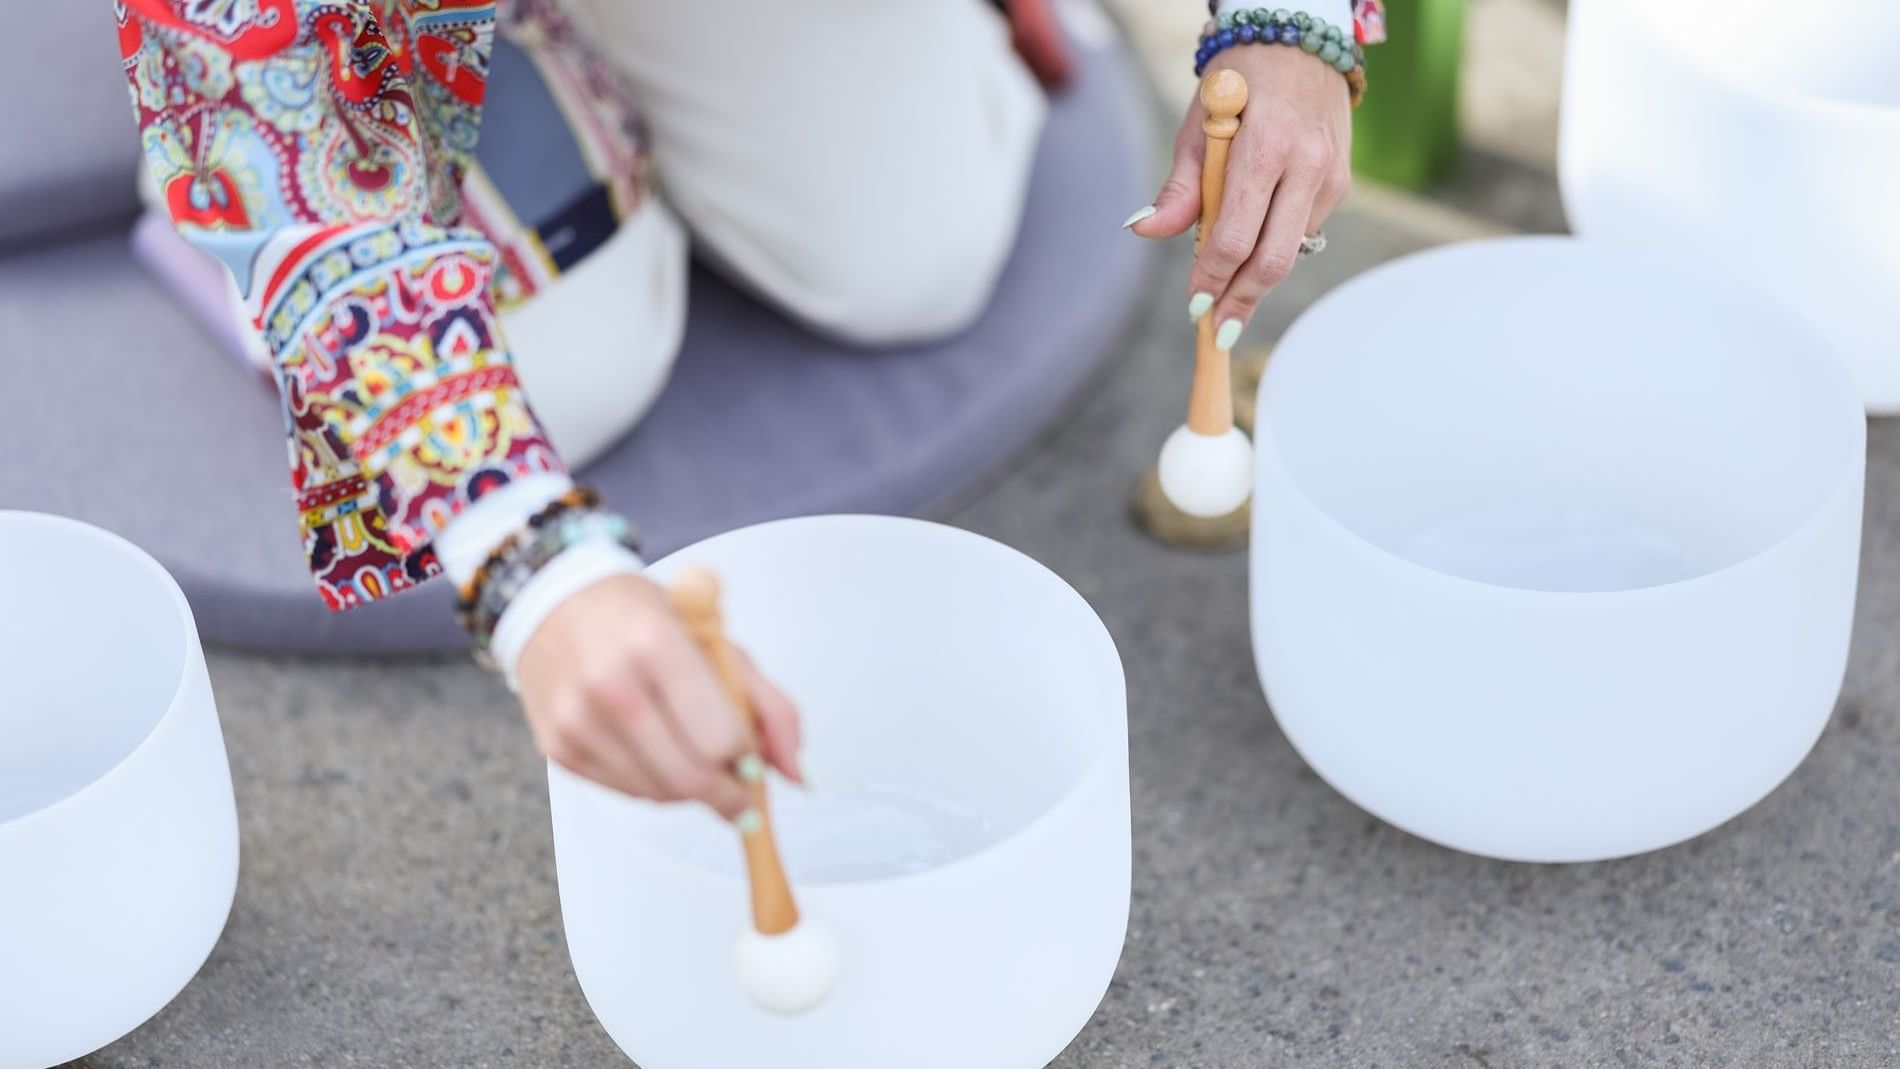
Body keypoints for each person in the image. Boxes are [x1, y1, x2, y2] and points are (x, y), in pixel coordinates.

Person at [113, 0, 1376, 824]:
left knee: (914, 253)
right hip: (319, 48)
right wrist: (532, 574)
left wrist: (1289, 26)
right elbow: (269, 107)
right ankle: (222, 219)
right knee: (570, 375)